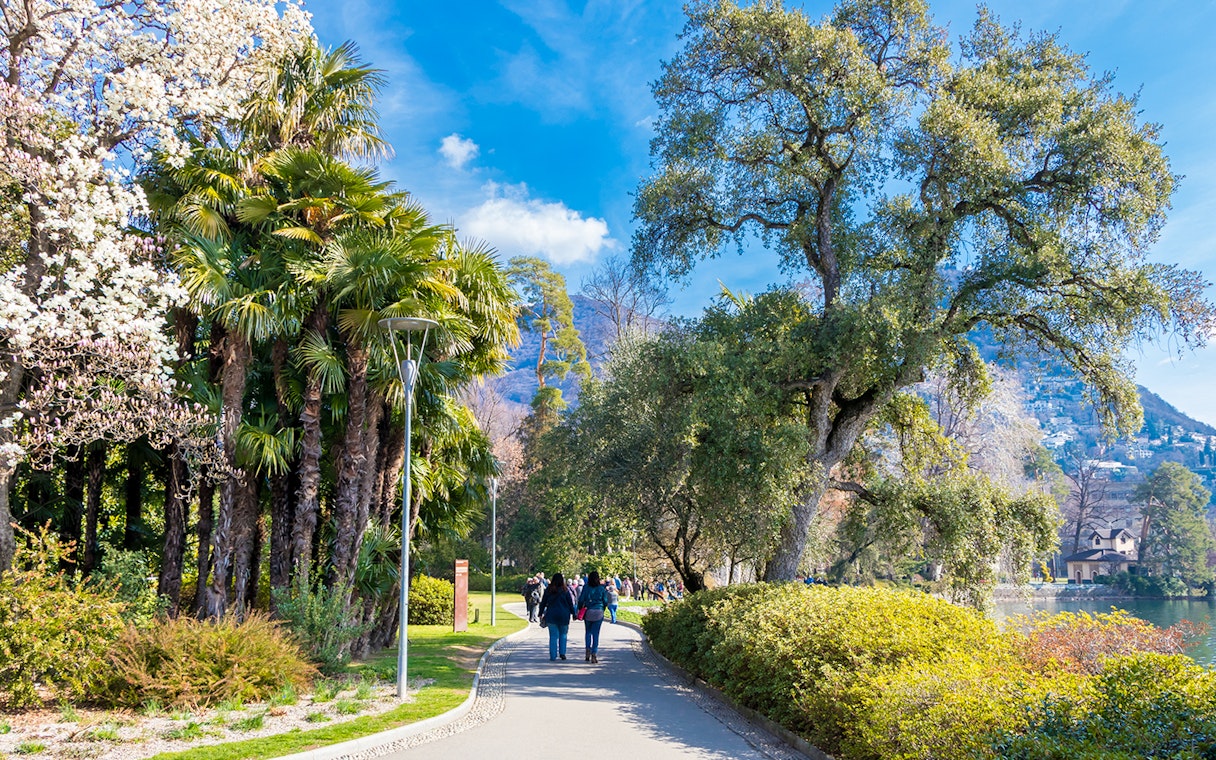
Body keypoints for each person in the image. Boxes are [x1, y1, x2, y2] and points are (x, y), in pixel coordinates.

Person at [538, 573, 577, 661]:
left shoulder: (549, 590)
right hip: (564, 615)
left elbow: (543, 602)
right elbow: (570, 603)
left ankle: (553, 655)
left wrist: (540, 613)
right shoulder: (565, 590)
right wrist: (574, 613)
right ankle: (562, 653)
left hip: (552, 615)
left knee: (553, 636)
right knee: (563, 634)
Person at [577, 571, 611, 663]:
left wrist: (580, 608)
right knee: (596, 634)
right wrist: (603, 609)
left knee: (588, 632)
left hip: (588, 611)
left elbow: (581, 600)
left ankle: (587, 650)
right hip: (598, 611)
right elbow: (605, 601)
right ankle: (594, 653)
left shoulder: (586, 587)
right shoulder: (601, 588)